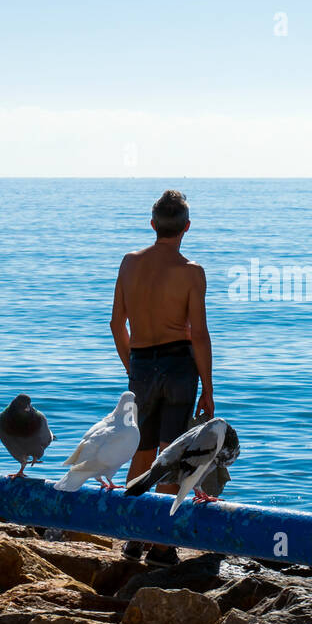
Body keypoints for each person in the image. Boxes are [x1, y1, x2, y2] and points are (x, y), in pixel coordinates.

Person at [110, 190, 214, 566]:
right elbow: (199, 334)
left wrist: (132, 366)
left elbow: (115, 324)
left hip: (142, 363)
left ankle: (134, 536)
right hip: (178, 366)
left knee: (142, 450)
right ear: (186, 227)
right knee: (171, 452)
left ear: (152, 224)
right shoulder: (192, 272)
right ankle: (162, 543)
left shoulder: (129, 263)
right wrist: (208, 389)